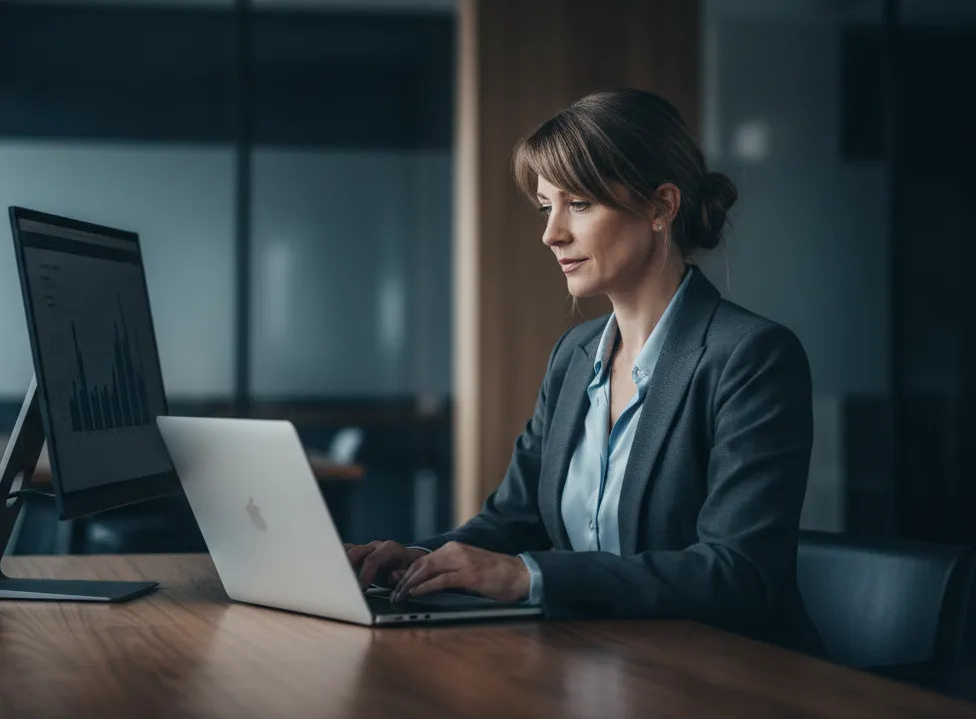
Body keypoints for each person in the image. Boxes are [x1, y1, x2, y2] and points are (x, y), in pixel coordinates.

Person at [346, 89, 823, 654]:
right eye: (547, 208)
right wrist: (417, 560)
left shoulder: (751, 356)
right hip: (597, 660)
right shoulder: (574, 356)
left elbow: (736, 573)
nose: (552, 234)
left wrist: (528, 577)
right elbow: (511, 521)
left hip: (724, 673)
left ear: (661, 207)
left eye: (579, 204)